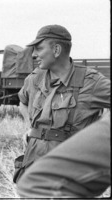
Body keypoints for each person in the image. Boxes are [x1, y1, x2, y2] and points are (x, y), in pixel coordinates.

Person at [13, 24, 110, 183]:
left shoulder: (91, 82)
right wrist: (30, 126)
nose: (34, 55)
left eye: (39, 49)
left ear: (56, 50)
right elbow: (22, 102)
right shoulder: (34, 78)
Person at [17, 111, 111, 198]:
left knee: (36, 184)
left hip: (67, 146)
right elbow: (23, 100)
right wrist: (31, 126)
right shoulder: (41, 92)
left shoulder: (90, 93)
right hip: (37, 147)